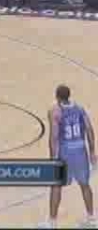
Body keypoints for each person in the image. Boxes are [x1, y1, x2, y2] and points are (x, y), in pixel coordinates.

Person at [42, 85, 96, 229]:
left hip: (66, 152)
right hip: (80, 150)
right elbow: (90, 130)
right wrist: (92, 151)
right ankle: (91, 218)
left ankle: (52, 222)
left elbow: (54, 136)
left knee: (56, 186)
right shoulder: (80, 109)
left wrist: (52, 158)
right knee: (85, 185)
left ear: (57, 97)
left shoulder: (55, 111)